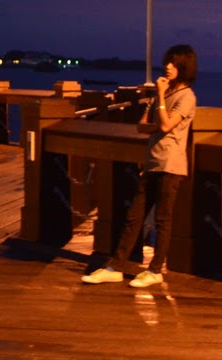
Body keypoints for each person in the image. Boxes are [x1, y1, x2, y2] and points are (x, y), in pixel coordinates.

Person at [82, 44, 198, 289]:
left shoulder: (187, 97)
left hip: (171, 165)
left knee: (163, 221)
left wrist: (160, 106)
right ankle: (116, 266)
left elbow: (165, 126)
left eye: (174, 63)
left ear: (184, 67)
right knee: (134, 217)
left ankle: (155, 270)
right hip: (153, 161)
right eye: (167, 61)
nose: (167, 66)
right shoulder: (162, 95)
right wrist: (159, 107)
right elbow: (142, 125)